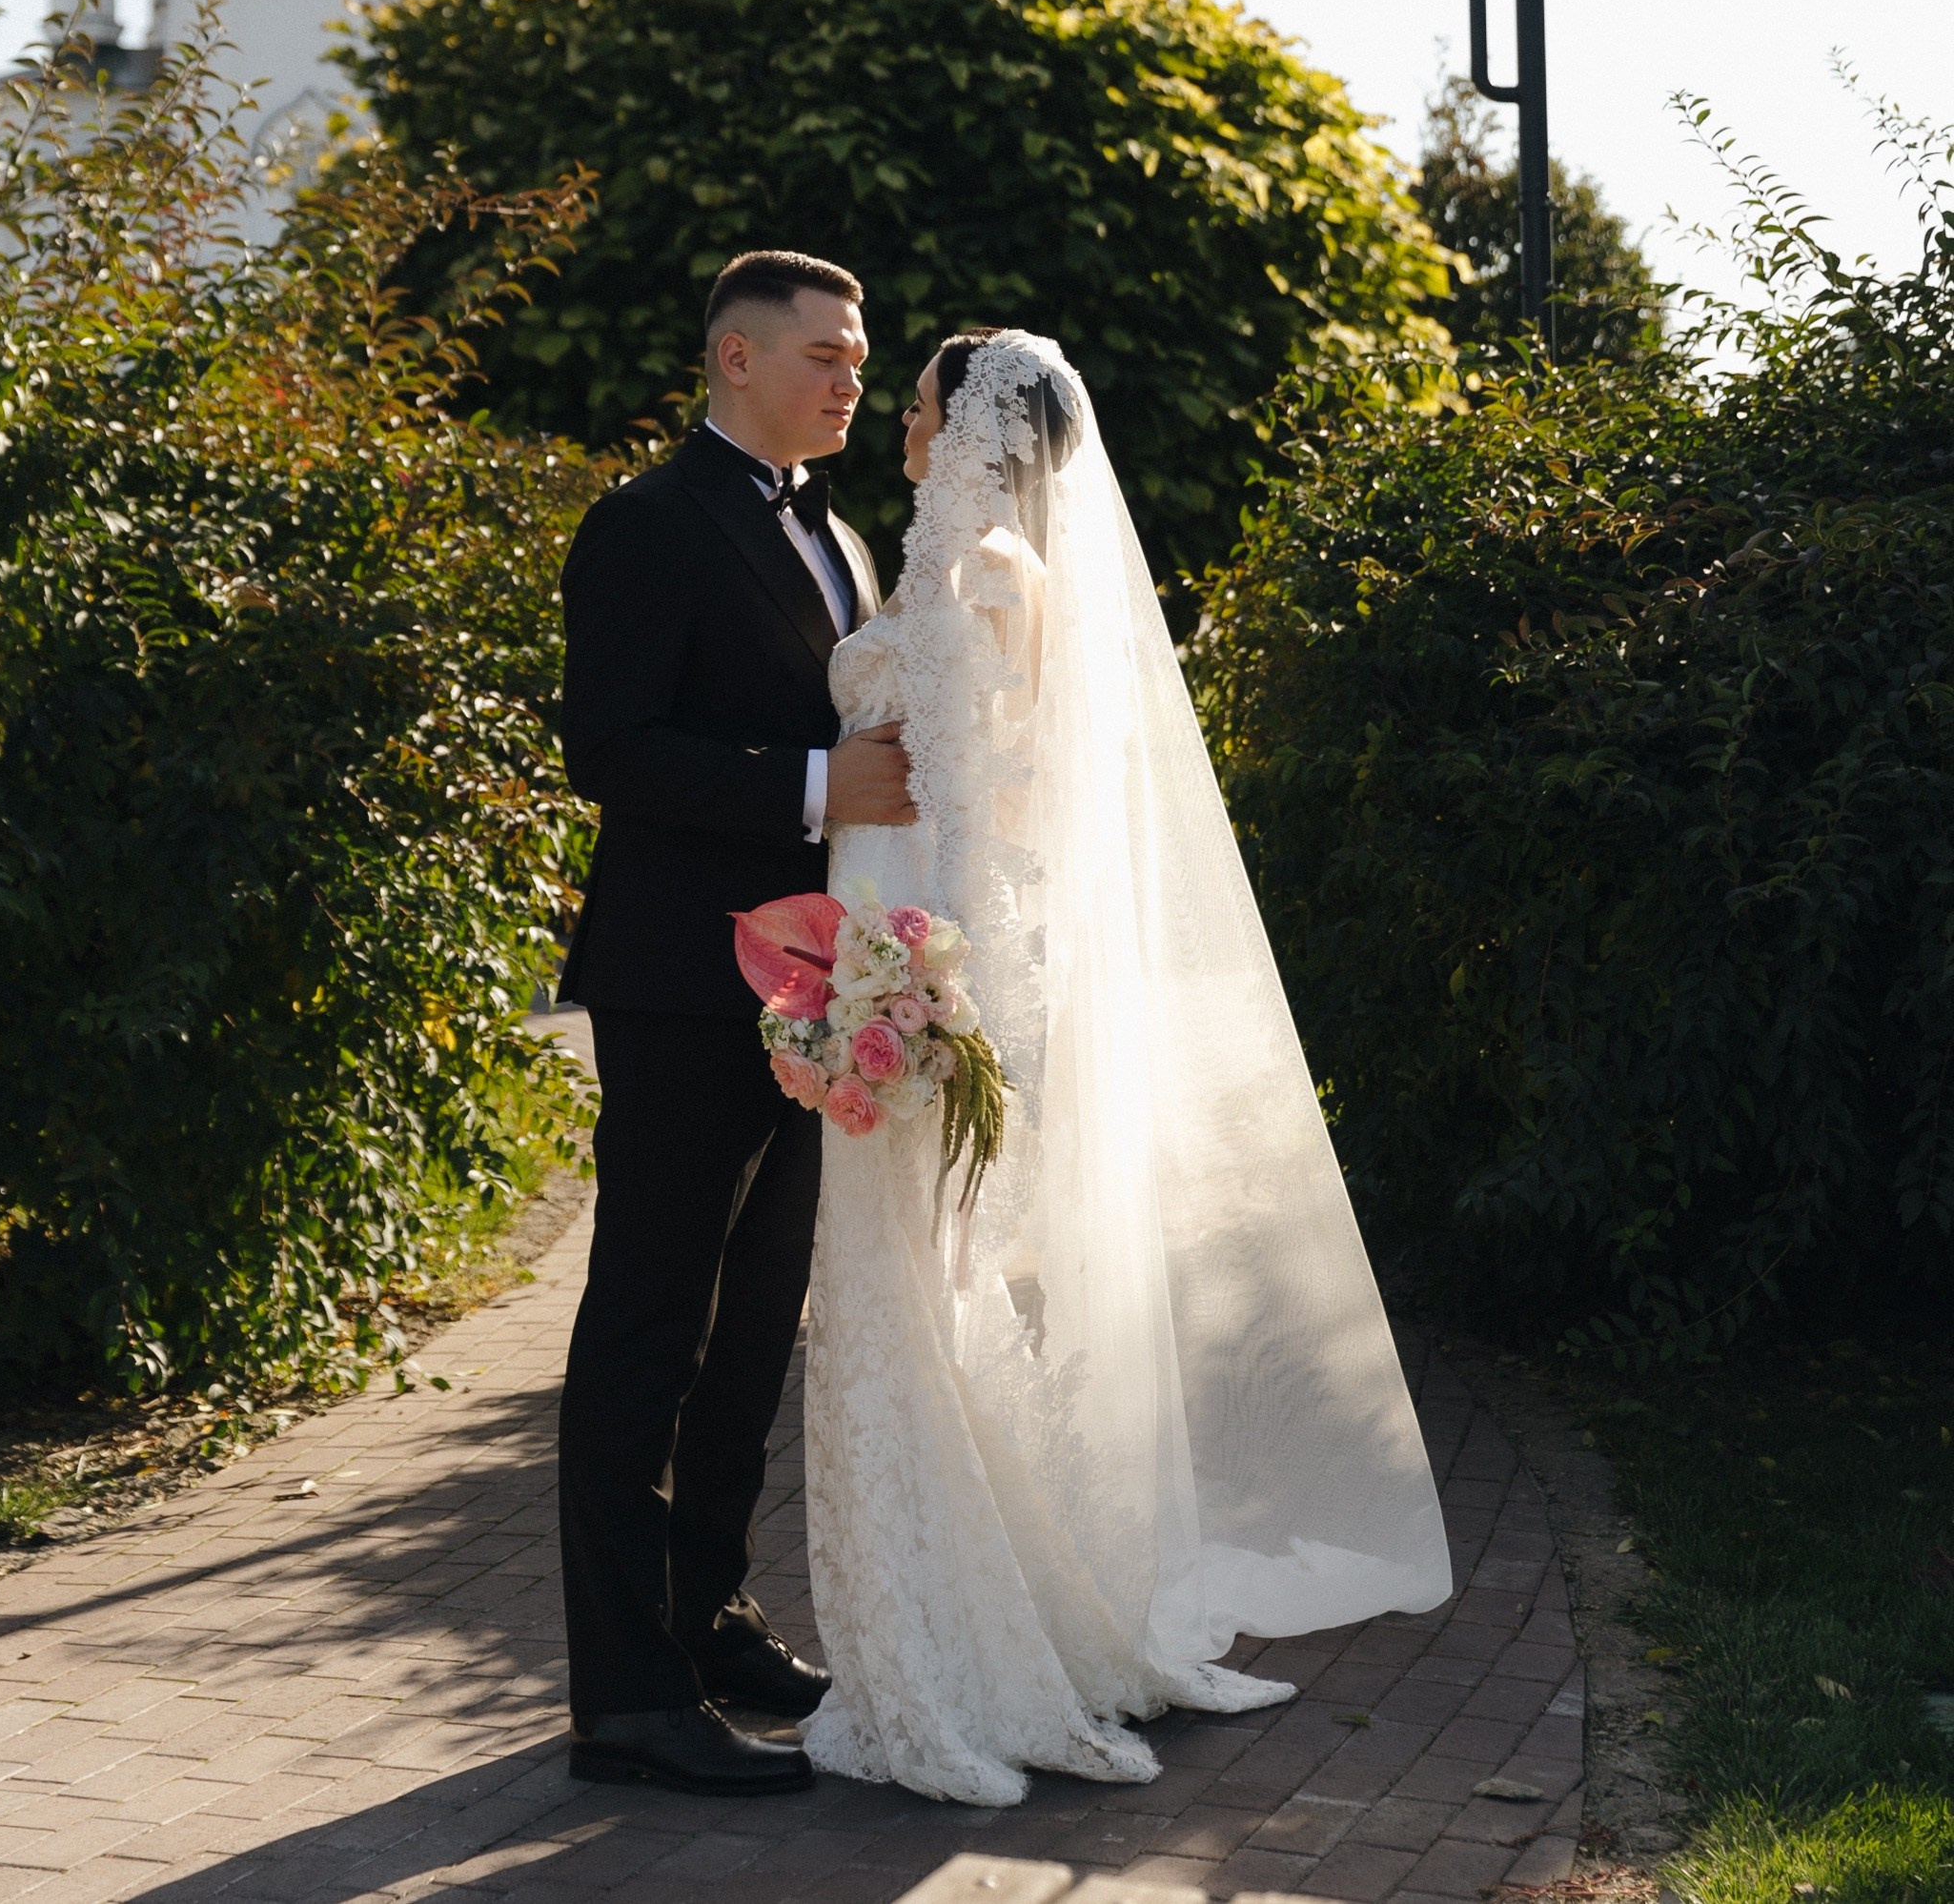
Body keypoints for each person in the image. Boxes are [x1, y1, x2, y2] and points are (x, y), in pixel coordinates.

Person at [798, 328, 1454, 1806]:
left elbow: (993, 792)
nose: (899, 420)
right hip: (884, 955)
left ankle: (961, 1644)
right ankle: (959, 1612)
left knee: (918, 1286)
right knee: (906, 1293)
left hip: (918, 971)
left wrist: (914, 986)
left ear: (973, 434)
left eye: (916, 402)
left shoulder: (984, 580)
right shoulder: (950, 567)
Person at [555, 250, 918, 1799]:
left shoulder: (840, 533)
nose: (849, 378)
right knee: (650, 1326)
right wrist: (826, 789)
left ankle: (709, 1624)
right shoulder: (643, 525)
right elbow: (613, 748)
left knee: (755, 1329)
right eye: (825, 355)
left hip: (814, 993)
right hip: (681, 983)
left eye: (857, 356)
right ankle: (625, 1699)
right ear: (732, 357)